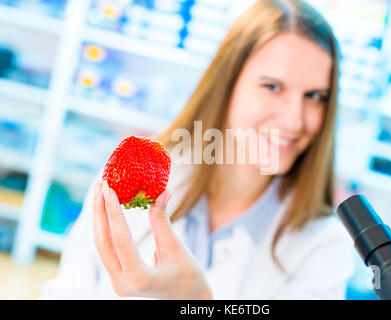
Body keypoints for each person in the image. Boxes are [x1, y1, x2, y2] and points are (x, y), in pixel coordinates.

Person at [40, 0, 355, 299]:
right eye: (272, 87)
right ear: (227, 83)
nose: (294, 119)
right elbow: (69, 291)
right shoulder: (136, 174)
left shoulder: (325, 246)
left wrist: (198, 298)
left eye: (315, 96)